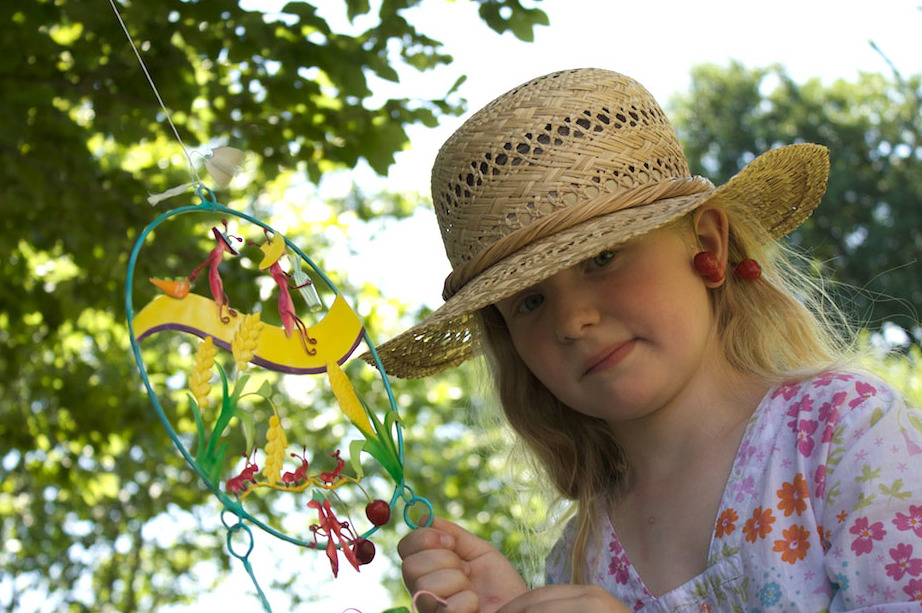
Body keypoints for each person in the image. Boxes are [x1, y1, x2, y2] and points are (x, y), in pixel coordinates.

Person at [368, 69, 922, 612]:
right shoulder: (579, 558)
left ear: (706, 242)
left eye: (602, 258)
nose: (571, 320)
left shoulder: (842, 433)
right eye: (529, 302)